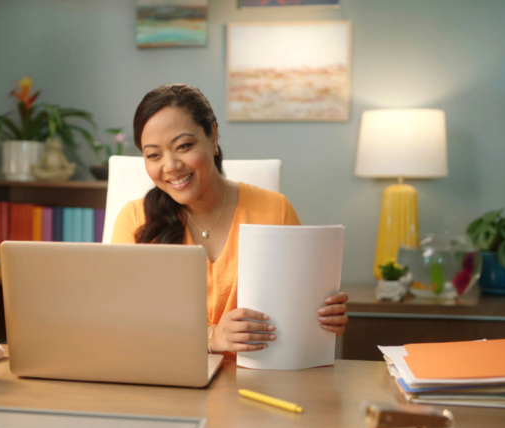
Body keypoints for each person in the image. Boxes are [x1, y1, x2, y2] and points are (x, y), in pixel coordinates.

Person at [111, 83, 349, 354]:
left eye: (184, 146)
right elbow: (123, 326)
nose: (171, 166)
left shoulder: (275, 211)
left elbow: (300, 321)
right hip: (167, 381)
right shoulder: (134, 220)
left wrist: (322, 320)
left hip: (257, 382)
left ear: (212, 137)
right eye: (153, 155)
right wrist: (211, 337)